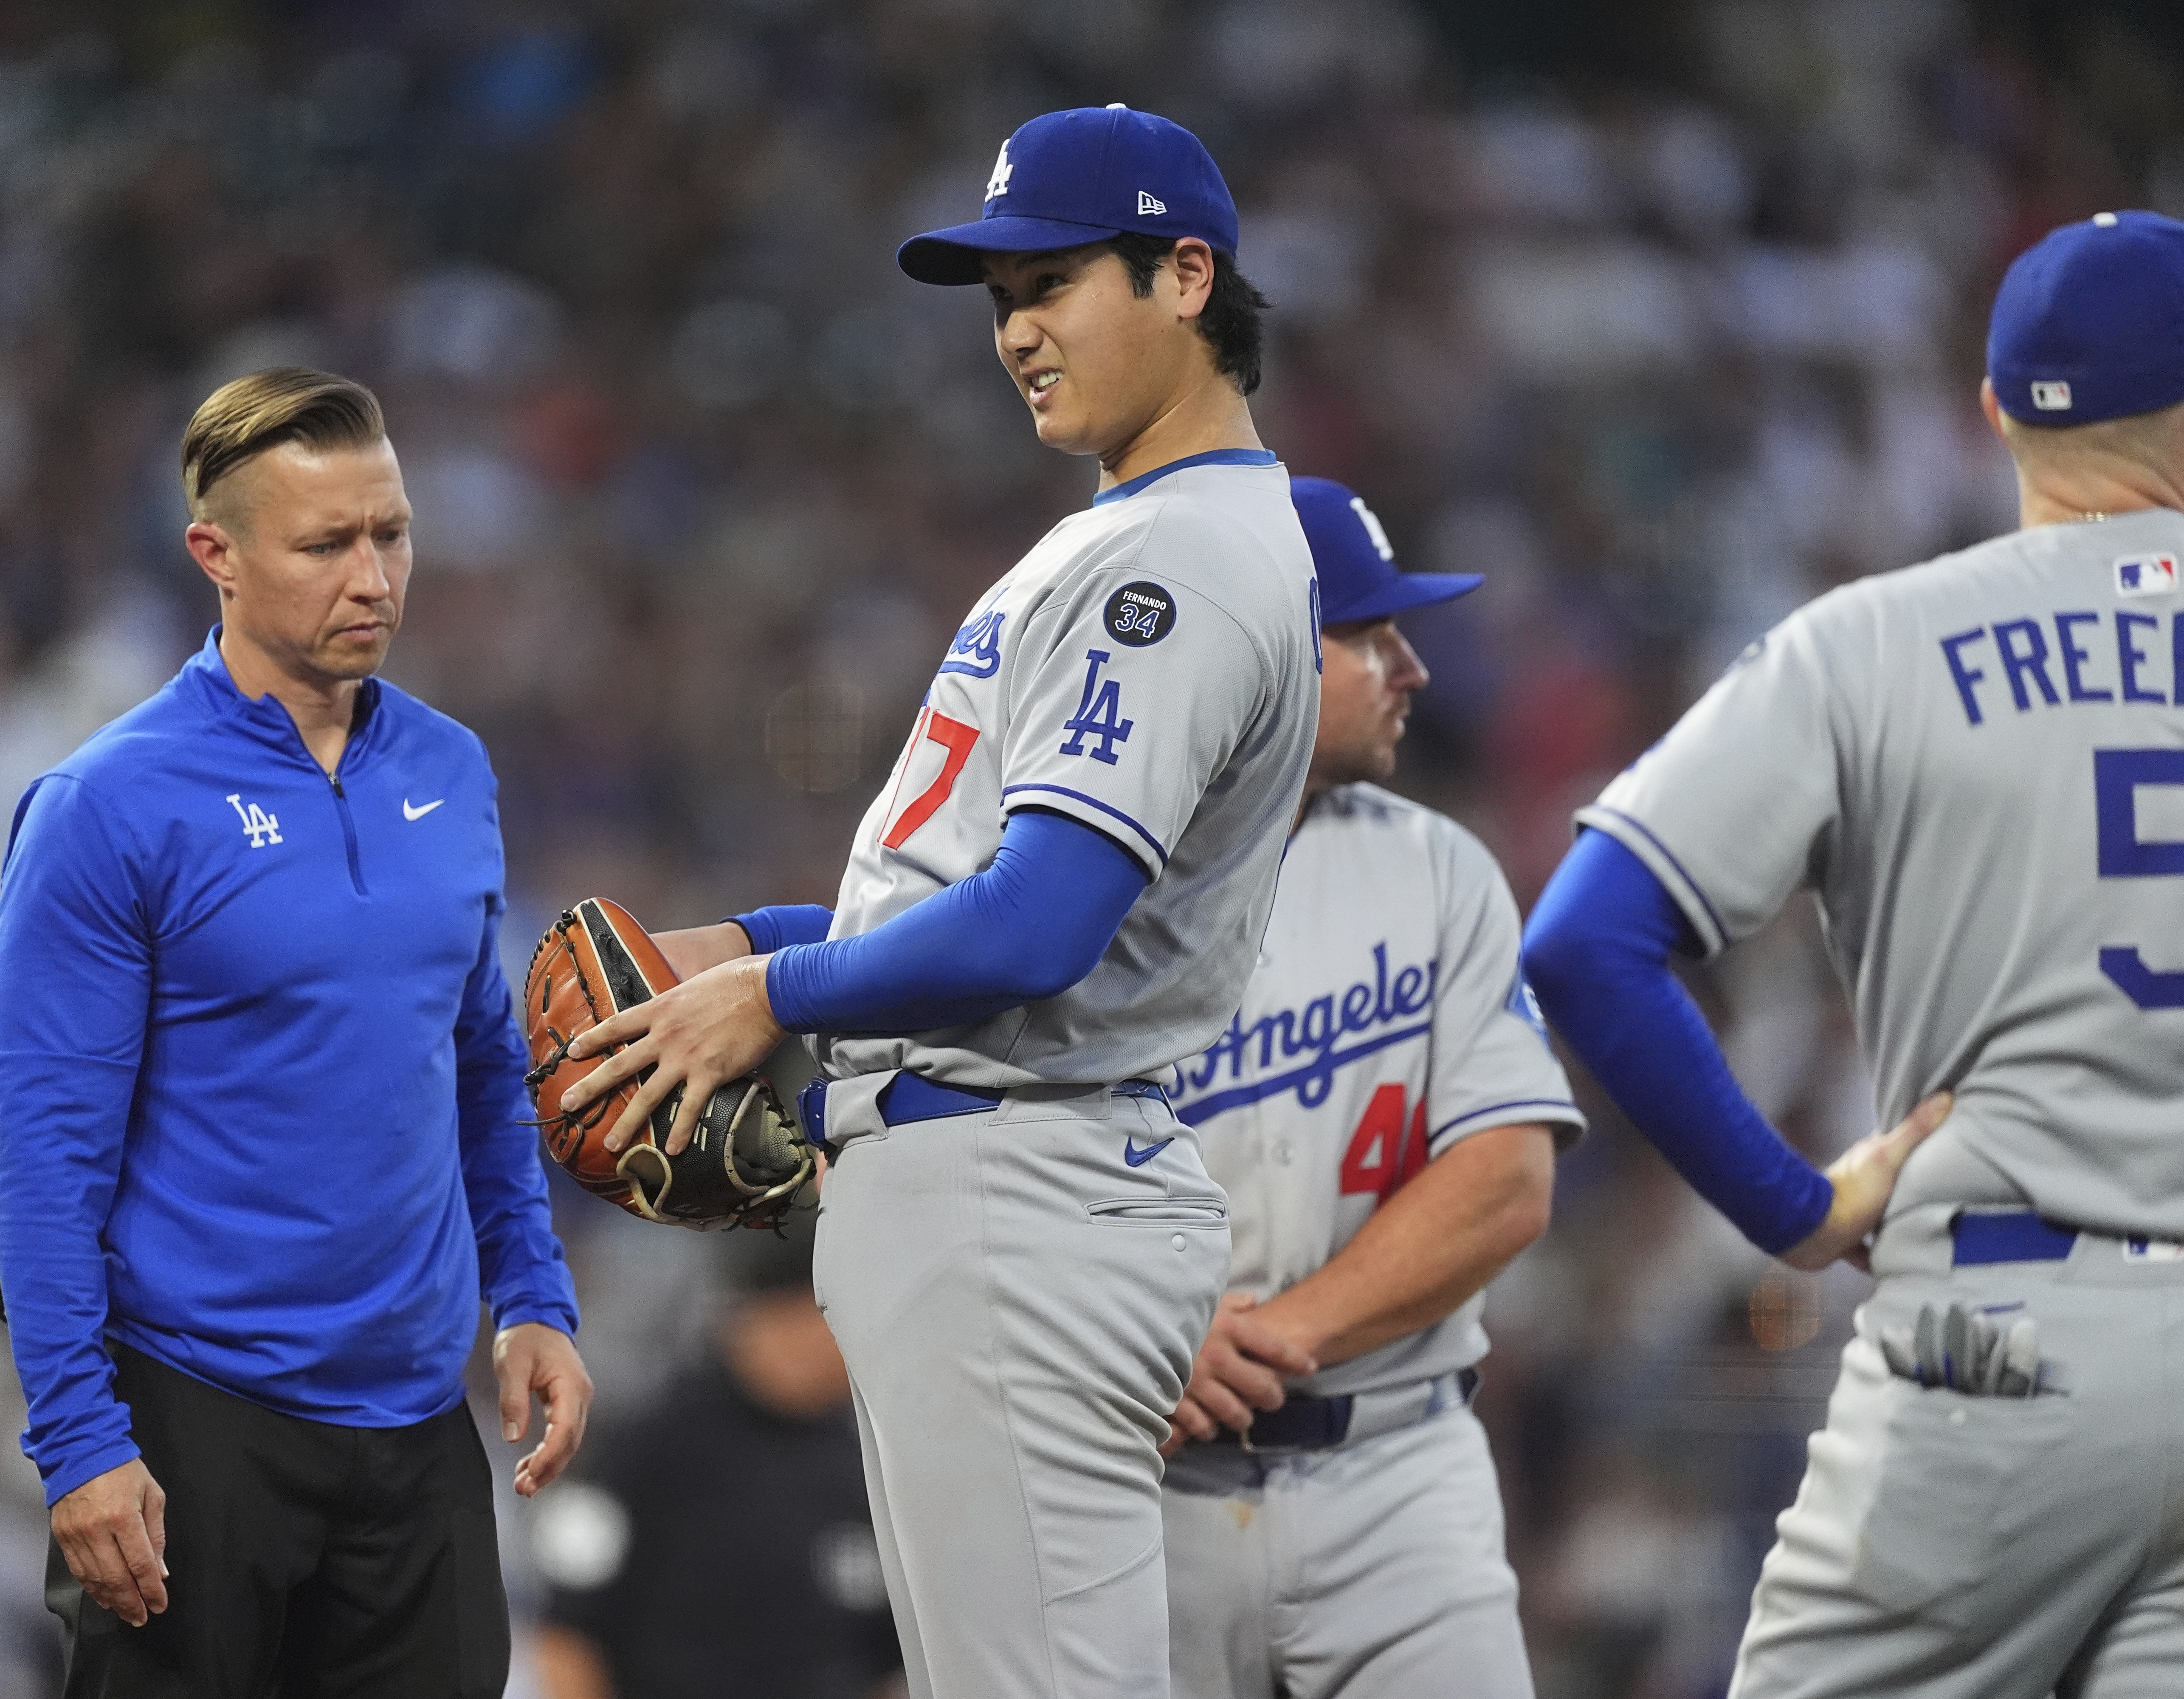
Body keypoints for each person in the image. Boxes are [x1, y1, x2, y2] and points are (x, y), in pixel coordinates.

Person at [563, 105, 1321, 1698]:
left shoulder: (1170, 562)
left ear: (1187, 274)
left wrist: (771, 999)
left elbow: (1039, 926)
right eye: (999, 300)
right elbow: (979, 881)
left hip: (1008, 1188)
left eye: (1053, 282)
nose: (1019, 331)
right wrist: (757, 943)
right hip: (1013, 1184)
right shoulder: (1154, 537)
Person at [1521, 209, 2184, 1696]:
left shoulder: (1872, 645)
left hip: (2003, 1346)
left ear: (1996, 410)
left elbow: (1583, 942)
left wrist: (1796, 1209)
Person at [0, 368, 591, 1698]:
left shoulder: (451, 767)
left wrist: (532, 1293)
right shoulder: (107, 805)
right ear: (216, 554)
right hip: (195, 1422)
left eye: (392, 532)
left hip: (418, 1433)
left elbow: (480, 1058)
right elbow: (42, 1159)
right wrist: (79, 1441)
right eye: (326, 544)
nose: (372, 576)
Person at [1160, 476, 1582, 1697]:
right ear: (1265, 662)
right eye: (1368, 636)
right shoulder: (1076, 887)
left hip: (1396, 1474)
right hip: (1133, 1491)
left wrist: (1280, 1335)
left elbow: (1505, 1184)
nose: (1414, 668)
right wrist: (1130, 1347)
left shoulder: (1438, 869)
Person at [529, 1225, 902, 1699]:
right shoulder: (649, 1445)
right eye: (792, 1316)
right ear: (739, 1318)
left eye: (826, 1319)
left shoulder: (868, 1464)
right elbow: (564, 1633)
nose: (814, 1341)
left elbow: (886, 1662)